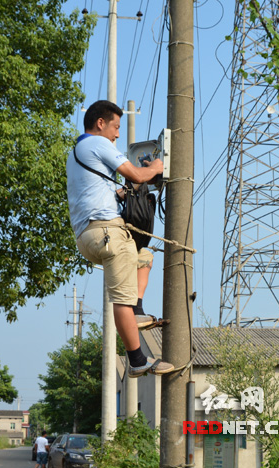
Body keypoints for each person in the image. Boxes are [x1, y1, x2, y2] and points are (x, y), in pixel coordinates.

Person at [66, 100, 174, 378]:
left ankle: (137, 311)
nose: (117, 135)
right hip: (108, 232)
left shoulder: (78, 152)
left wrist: (139, 182)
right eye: (115, 127)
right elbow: (137, 174)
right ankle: (137, 360)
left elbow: (121, 189)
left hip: (90, 235)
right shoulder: (97, 143)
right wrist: (157, 167)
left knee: (144, 257)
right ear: (100, 123)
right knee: (121, 300)